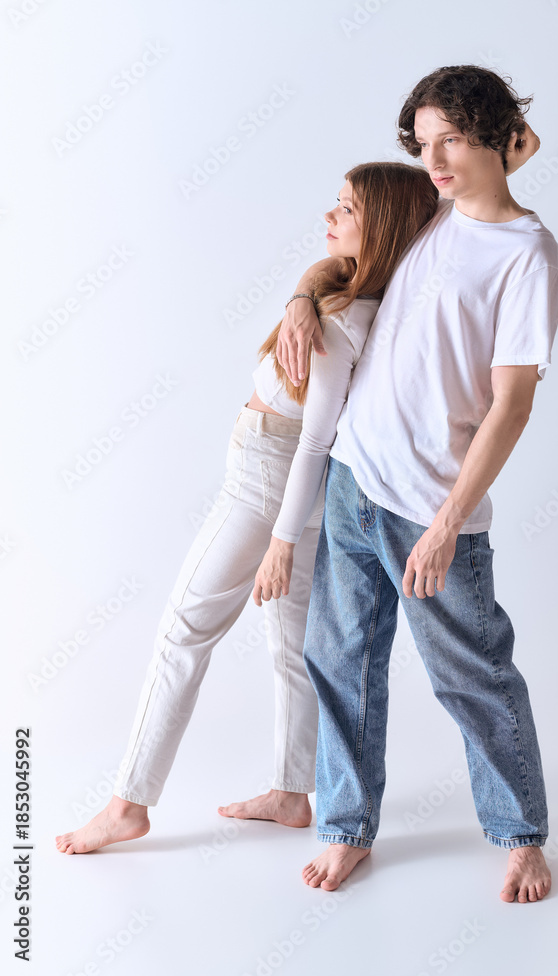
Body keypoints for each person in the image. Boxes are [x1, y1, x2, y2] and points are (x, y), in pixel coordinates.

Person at [54, 161, 439, 854]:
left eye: (347, 209)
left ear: (381, 227)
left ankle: (127, 804)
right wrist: (302, 295)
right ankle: (292, 792)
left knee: (183, 631)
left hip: (269, 481)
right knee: (292, 641)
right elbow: (332, 274)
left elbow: (315, 438)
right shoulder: (360, 299)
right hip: (294, 481)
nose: (329, 217)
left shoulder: (339, 325)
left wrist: (281, 542)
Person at [276, 65, 558, 903]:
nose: (432, 160)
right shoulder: (432, 213)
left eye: (452, 140)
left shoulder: (528, 255)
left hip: (431, 510)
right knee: (338, 662)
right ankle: (344, 827)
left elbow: (512, 405)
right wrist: (300, 298)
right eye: (423, 142)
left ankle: (519, 836)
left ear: (496, 138)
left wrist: (445, 524)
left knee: (472, 677)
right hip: (351, 479)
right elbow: (345, 251)